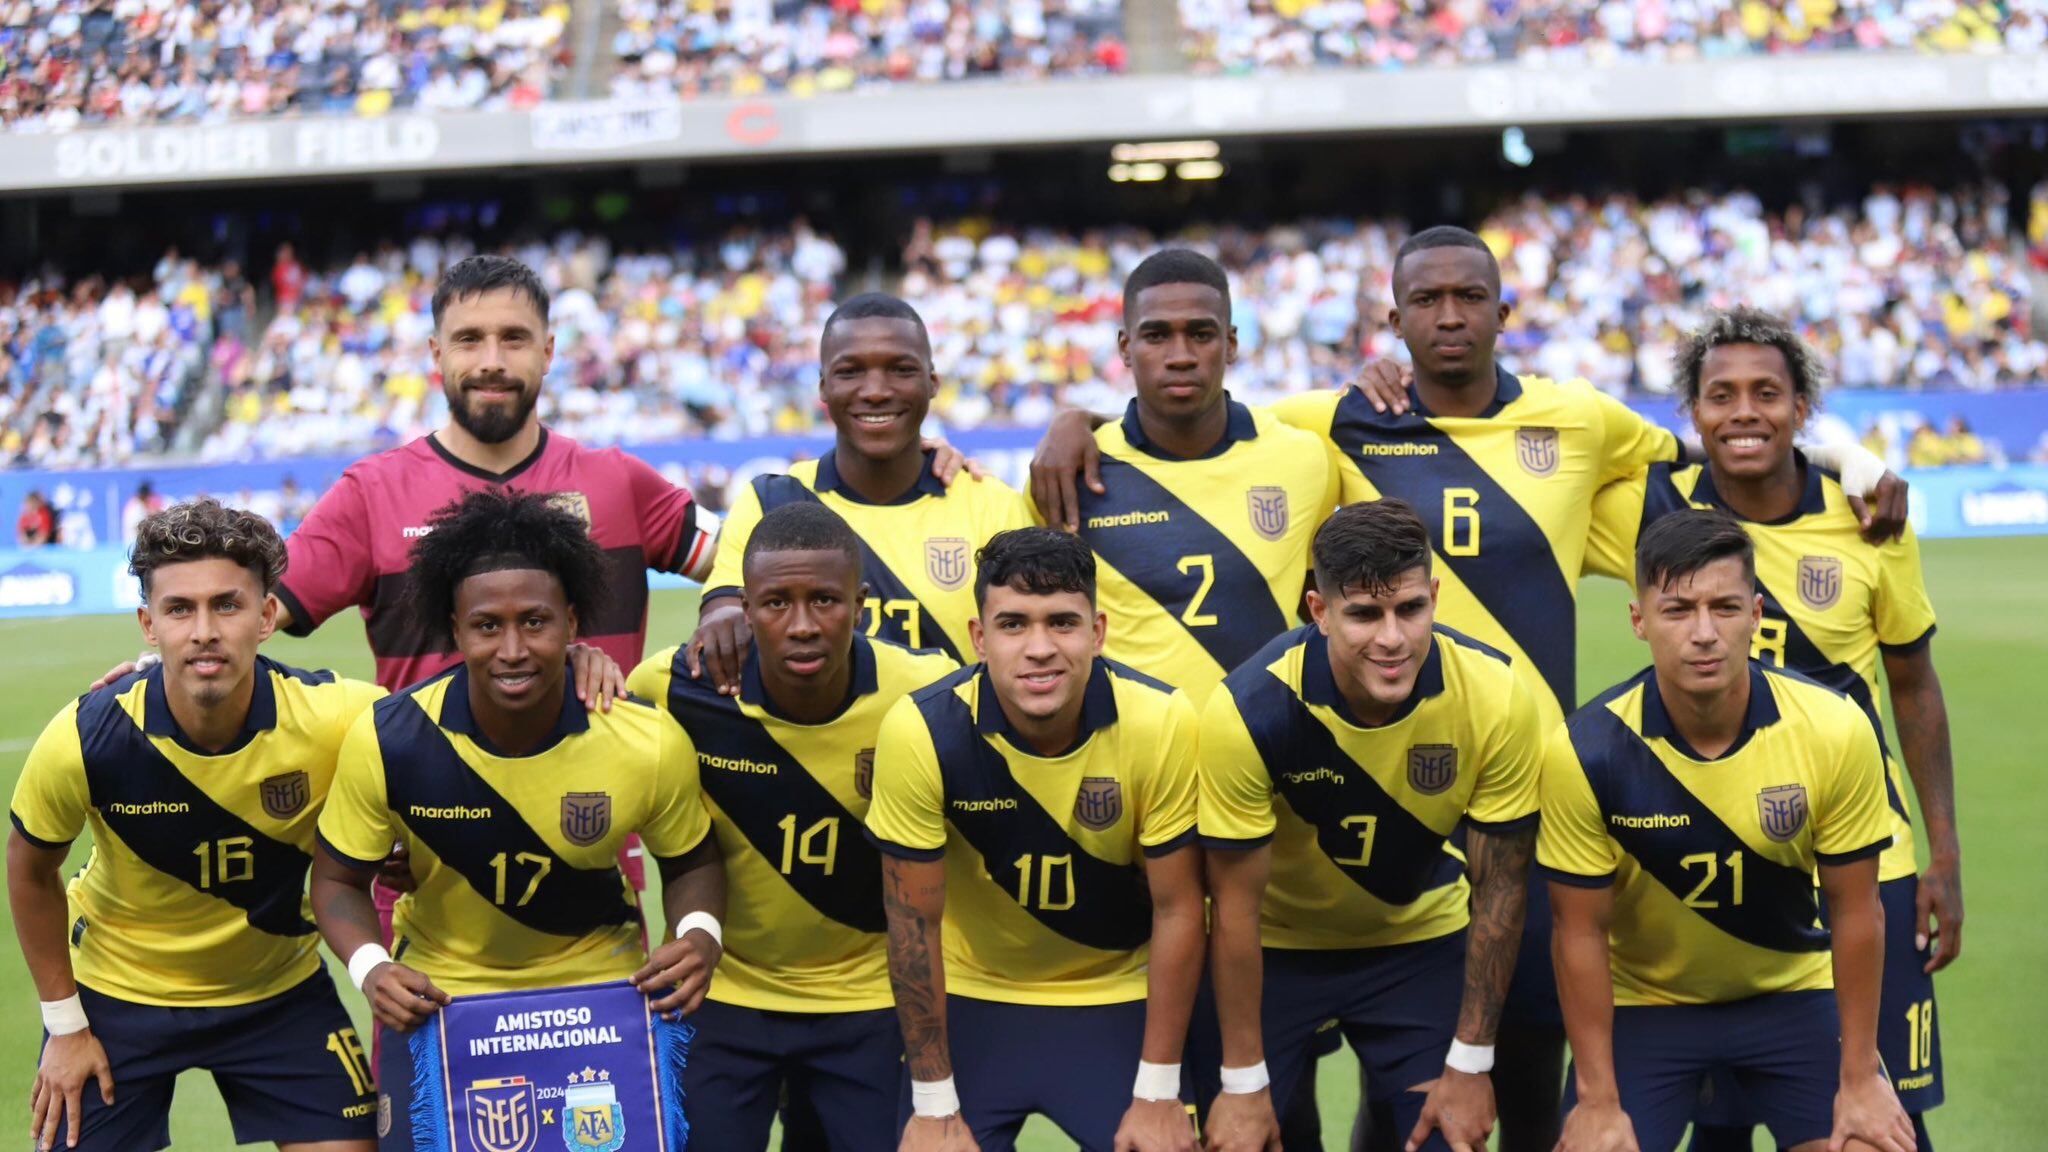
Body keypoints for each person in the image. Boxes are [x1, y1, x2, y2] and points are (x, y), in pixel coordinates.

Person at [1030, 225, 1908, 1152]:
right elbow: (1182, 407)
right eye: (1426, 301)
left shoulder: (1579, 418)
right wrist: (1076, 420)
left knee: (1510, 1083)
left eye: (1469, 297)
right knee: (1291, 1100)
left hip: (1520, 799)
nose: (1449, 316)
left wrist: (1852, 458)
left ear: (1503, 308)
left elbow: (1727, 444)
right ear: (1394, 319)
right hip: (1319, 791)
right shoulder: (1328, 424)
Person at [1583, 310, 1959, 1151]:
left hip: (1869, 855)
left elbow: (1914, 684)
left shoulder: (1869, 517)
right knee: (1724, 1130)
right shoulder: (1648, 507)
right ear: (1692, 412)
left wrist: (1945, 855)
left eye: (1767, 394)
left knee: (1886, 1120)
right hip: (1712, 843)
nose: (1744, 412)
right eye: (1721, 396)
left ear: (1802, 409)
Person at [308, 489, 725, 1148]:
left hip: (602, 1001)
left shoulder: (645, 742)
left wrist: (700, 934)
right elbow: (334, 881)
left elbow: (694, 860)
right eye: (486, 625)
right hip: (443, 1006)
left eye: (535, 622)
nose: (511, 649)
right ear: (454, 626)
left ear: (572, 620)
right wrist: (371, 968)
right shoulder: (392, 739)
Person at [8, 499, 384, 1152]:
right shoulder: (87, 737)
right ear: (148, 625)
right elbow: (30, 869)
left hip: (278, 993)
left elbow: (451, 725)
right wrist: (65, 1026)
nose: (204, 630)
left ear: (267, 616)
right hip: (116, 995)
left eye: (227, 605)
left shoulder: (338, 718)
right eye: (180, 609)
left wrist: (575, 664)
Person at [1540, 507, 1914, 1152]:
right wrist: (1598, 1100)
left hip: (1794, 994)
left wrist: (1859, 1078)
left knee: (1868, 1145)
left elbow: (1857, 912)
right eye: (1678, 610)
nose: (1704, 633)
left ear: (1758, 614)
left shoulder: (1834, 727)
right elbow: (1579, 932)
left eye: (1726, 608)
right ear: (1639, 621)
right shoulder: (1586, 750)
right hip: (1647, 1006)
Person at [1199, 499, 1543, 1152]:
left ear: (1435, 597)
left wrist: (1471, 1064)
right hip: (1278, 954)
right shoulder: (1248, 711)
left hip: (1419, 947)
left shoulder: (1495, 694)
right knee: (1250, 1137)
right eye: (1363, 613)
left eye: (1410, 609)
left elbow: (1499, 888)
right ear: (1318, 611)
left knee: (1448, 1137)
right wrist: (1243, 1081)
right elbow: (1235, 908)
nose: (1392, 638)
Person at [629, 502, 958, 1151]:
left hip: (870, 1002)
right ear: (743, 609)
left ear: (860, 605)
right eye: (777, 603)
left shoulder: (928, 694)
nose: (802, 626)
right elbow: (576, 747)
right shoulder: (672, 689)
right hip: (720, 995)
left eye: (825, 601)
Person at [866, 528, 1205, 1152]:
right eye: (1014, 624)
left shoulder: (1161, 720)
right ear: (978, 637)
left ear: (1098, 632)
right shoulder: (922, 730)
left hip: (1120, 995)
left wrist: (1157, 1091)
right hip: (973, 1001)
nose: (1040, 648)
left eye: (1063, 623)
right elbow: (913, 926)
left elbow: (1179, 908)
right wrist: (935, 1104)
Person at [689, 292, 1029, 691]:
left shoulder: (993, 507)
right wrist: (719, 624)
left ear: (932, 382)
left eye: (901, 369)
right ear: (823, 386)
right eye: (850, 371)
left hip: (952, 751)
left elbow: (1026, 651)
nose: (875, 391)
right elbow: (724, 610)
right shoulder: (772, 501)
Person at [1053, 249, 1335, 706]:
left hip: (1266, 754)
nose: (1180, 356)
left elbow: (1317, 607)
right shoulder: (1071, 472)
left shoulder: (1303, 459)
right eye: (1157, 335)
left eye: (1201, 334)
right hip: (1135, 761)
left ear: (1231, 344)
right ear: (1126, 348)